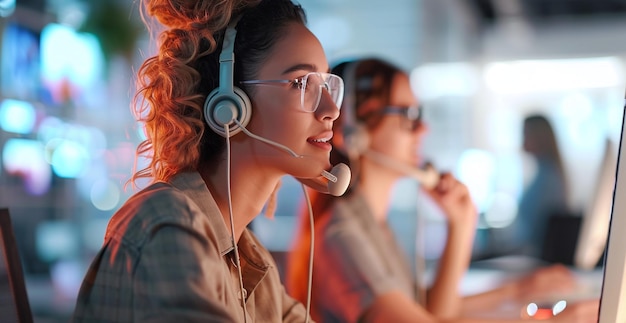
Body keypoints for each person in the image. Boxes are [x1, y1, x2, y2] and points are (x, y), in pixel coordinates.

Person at [72, 0, 346, 321]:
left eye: (327, 86)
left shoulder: (246, 257)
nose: (331, 109)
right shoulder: (167, 225)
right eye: (301, 83)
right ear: (229, 104)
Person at [286, 58, 599, 323]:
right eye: (408, 115)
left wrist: (461, 224)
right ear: (353, 134)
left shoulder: (372, 226)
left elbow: (433, 313)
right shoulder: (344, 238)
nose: (424, 129)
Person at [517, 114, 569, 257]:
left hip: (534, 257)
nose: (522, 140)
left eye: (525, 133)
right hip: (529, 254)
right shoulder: (544, 174)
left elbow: (540, 233)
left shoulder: (549, 179)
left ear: (540, 137)